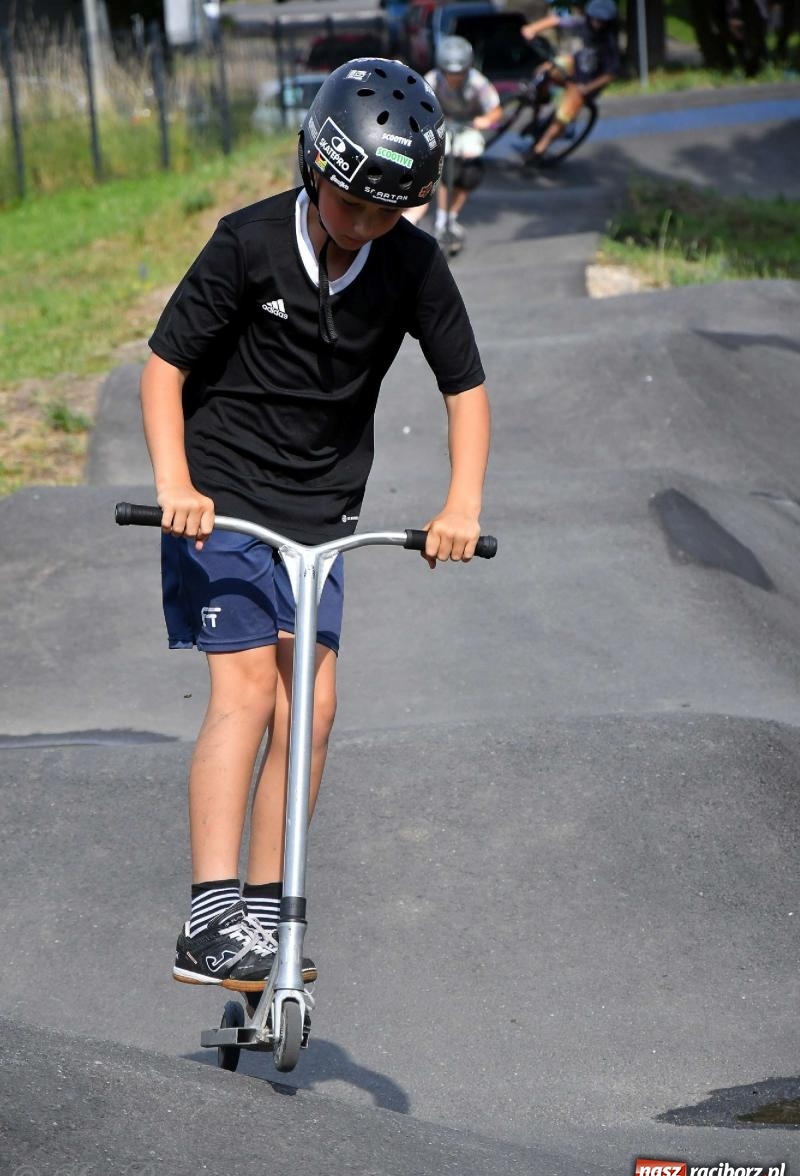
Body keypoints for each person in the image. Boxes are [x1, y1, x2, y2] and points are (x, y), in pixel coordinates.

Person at [139, 58, 492, 993]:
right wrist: (175, 483)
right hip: (218, 495)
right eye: (353, 205)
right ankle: (210, 917)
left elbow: (466, 386)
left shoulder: (412, 263)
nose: (368, 227)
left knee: (316, 707)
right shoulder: (247, 244)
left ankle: (264, 912)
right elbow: (165, 369)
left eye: (390, 211)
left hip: (322, 508)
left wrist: (462, 503)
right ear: (314, 167)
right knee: (247, 694)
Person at [404, 36, 503, 248]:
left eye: (459, 73)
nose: (455, 77)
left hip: (468, 127)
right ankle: (441, 219)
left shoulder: (478, 83)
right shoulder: (432, 79)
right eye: (450, 73)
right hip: (442, 127)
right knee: (446, 170)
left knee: (470, 174)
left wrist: (485, 120)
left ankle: (452, 216)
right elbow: (417, 104)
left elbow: (495, 110)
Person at [520, 0, 620, 167]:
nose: (597, 23)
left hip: (585, 84)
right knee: (548, 68)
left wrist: (587, 88)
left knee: (563, 115)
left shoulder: (609, 44)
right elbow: (556, 20)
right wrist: (533, 29)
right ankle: (539, 101)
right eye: (594, 19)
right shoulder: (581, 24)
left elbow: (610, 75)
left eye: (601, 21)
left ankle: (539, 149)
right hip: (573, 69)